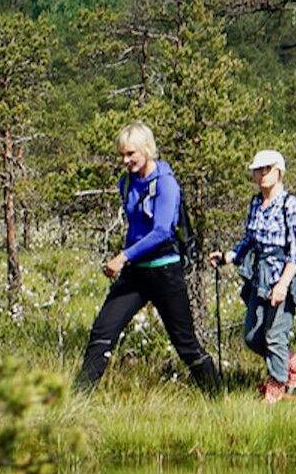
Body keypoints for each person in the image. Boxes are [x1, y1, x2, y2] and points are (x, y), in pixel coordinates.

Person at [74, 122, 220, 395]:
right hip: (136, 273)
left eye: (131, 154)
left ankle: (218, 400)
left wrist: (122, 257)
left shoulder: (166, 183)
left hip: (165, 272)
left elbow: (163, 231)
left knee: (185, 344)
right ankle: (76, 399)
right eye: (122, 155)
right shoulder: (126, 182)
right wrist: (128, 259)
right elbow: (136, 226)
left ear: (146, 150)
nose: (125, 160)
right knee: (102, 333)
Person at [210, 149, 296, 404]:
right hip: (259, 278)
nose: (261, 174)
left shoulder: (291, 206)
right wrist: (228, 256)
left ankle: (277, 385)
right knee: (252, 336)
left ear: (279, 171)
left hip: (284, 278)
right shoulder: (256, 203)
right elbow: (249, 239)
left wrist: (282, 285)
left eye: (266, 169)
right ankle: (295, 368)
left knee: (274, 335)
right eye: (258, 170)